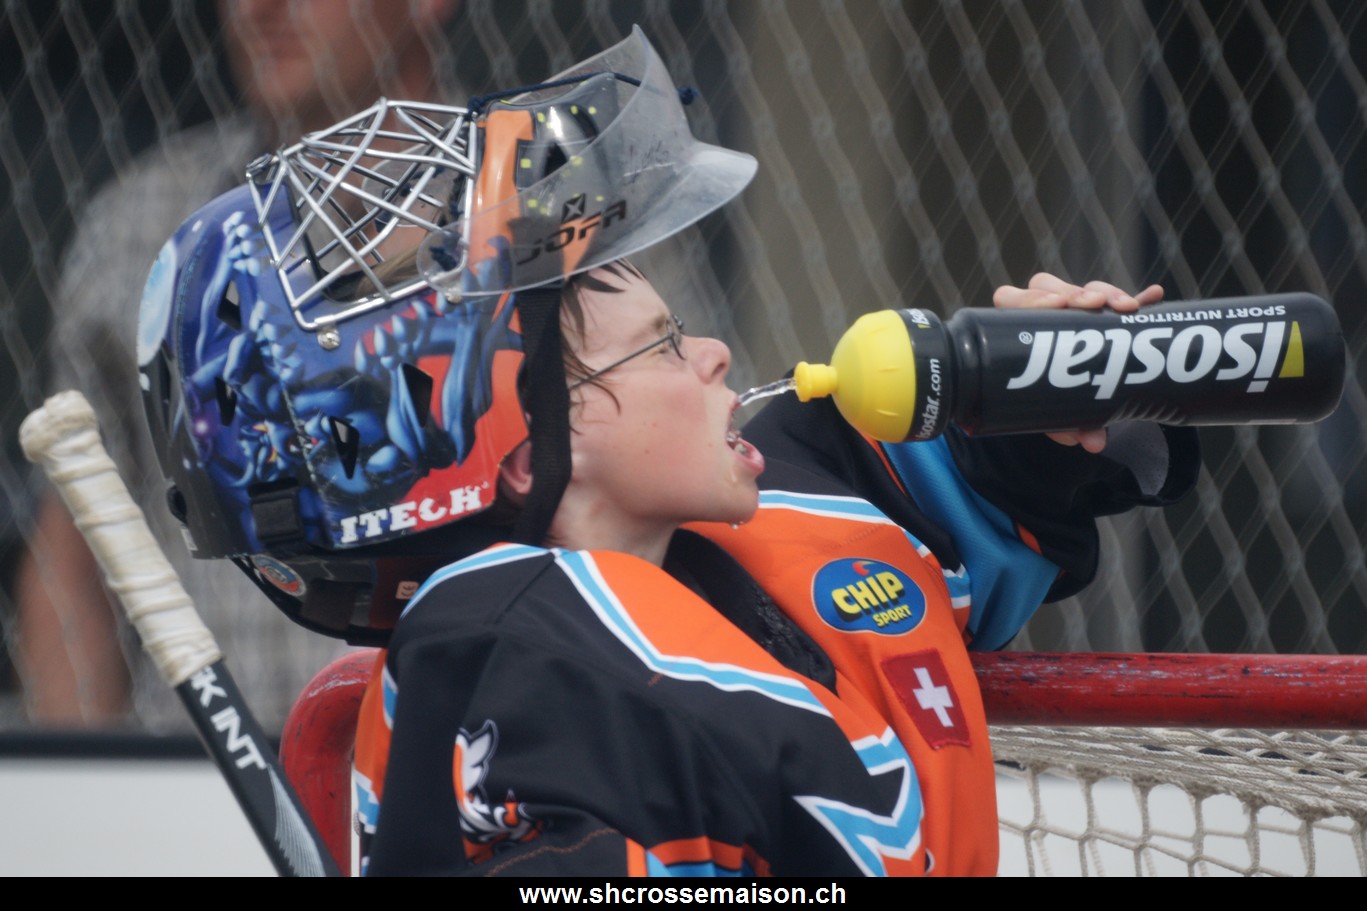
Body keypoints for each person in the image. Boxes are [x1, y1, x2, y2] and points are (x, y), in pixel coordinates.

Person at [138, 30, 1197, 875]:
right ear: (519, 454)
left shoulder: (789, 483)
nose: (714, 354)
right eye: (660, 341)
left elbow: (1031, 479)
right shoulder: (507, 664)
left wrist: (1048, 385)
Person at [16, 0, 461, 726]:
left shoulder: (532, 198)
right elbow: (77, 539)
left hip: (459, 762)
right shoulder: (143, 221)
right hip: (203, 764)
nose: (260, 8)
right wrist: (89, 774)